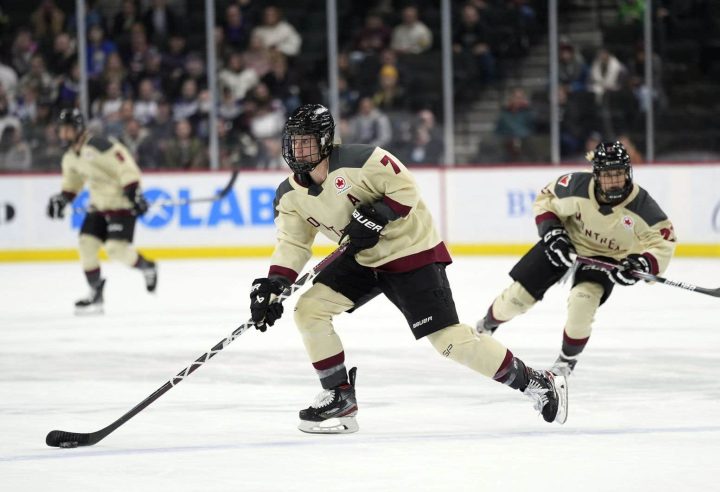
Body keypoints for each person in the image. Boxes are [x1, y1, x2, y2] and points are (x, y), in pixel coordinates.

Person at [248, 104, 568, 434]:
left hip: (410, 252)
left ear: (326, 140)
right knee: (308, 310)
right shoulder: (288, 195)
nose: (298, 150)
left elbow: (406, 189)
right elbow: (293, 244)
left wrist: (376, 215)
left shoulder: (363, 160)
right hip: (362, 258)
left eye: (307, 142)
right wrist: (275, 283)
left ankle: (536, 382)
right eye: (294, 142)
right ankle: (339, 395)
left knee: (449, 341)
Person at [475, 141, 676, 376]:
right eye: (608, 175)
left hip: (606, 257)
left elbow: (663, 241)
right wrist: (552, 232)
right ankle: (486, 325)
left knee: (583, 301)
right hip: (567, 242)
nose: (614, 181)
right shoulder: (575, 185)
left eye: (619, 174)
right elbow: (545, 202)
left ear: (628, 173)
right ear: (596, 175)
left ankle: (565, 363)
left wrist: (642, 263)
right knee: (516, 299)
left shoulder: (642, 205)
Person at [46, 108, 157, 314]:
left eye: (66, 130)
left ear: (78, 128)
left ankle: (147, 267)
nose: (62, 134)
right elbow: (73, 183)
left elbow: (125, 165)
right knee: (86, 244)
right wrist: (63, 199)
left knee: (116, 250)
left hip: (121, 206)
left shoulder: (99, 146)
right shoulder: (70, 157)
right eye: (61, 130)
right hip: (98, 207)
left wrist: (134, 191)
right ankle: (95, 292)